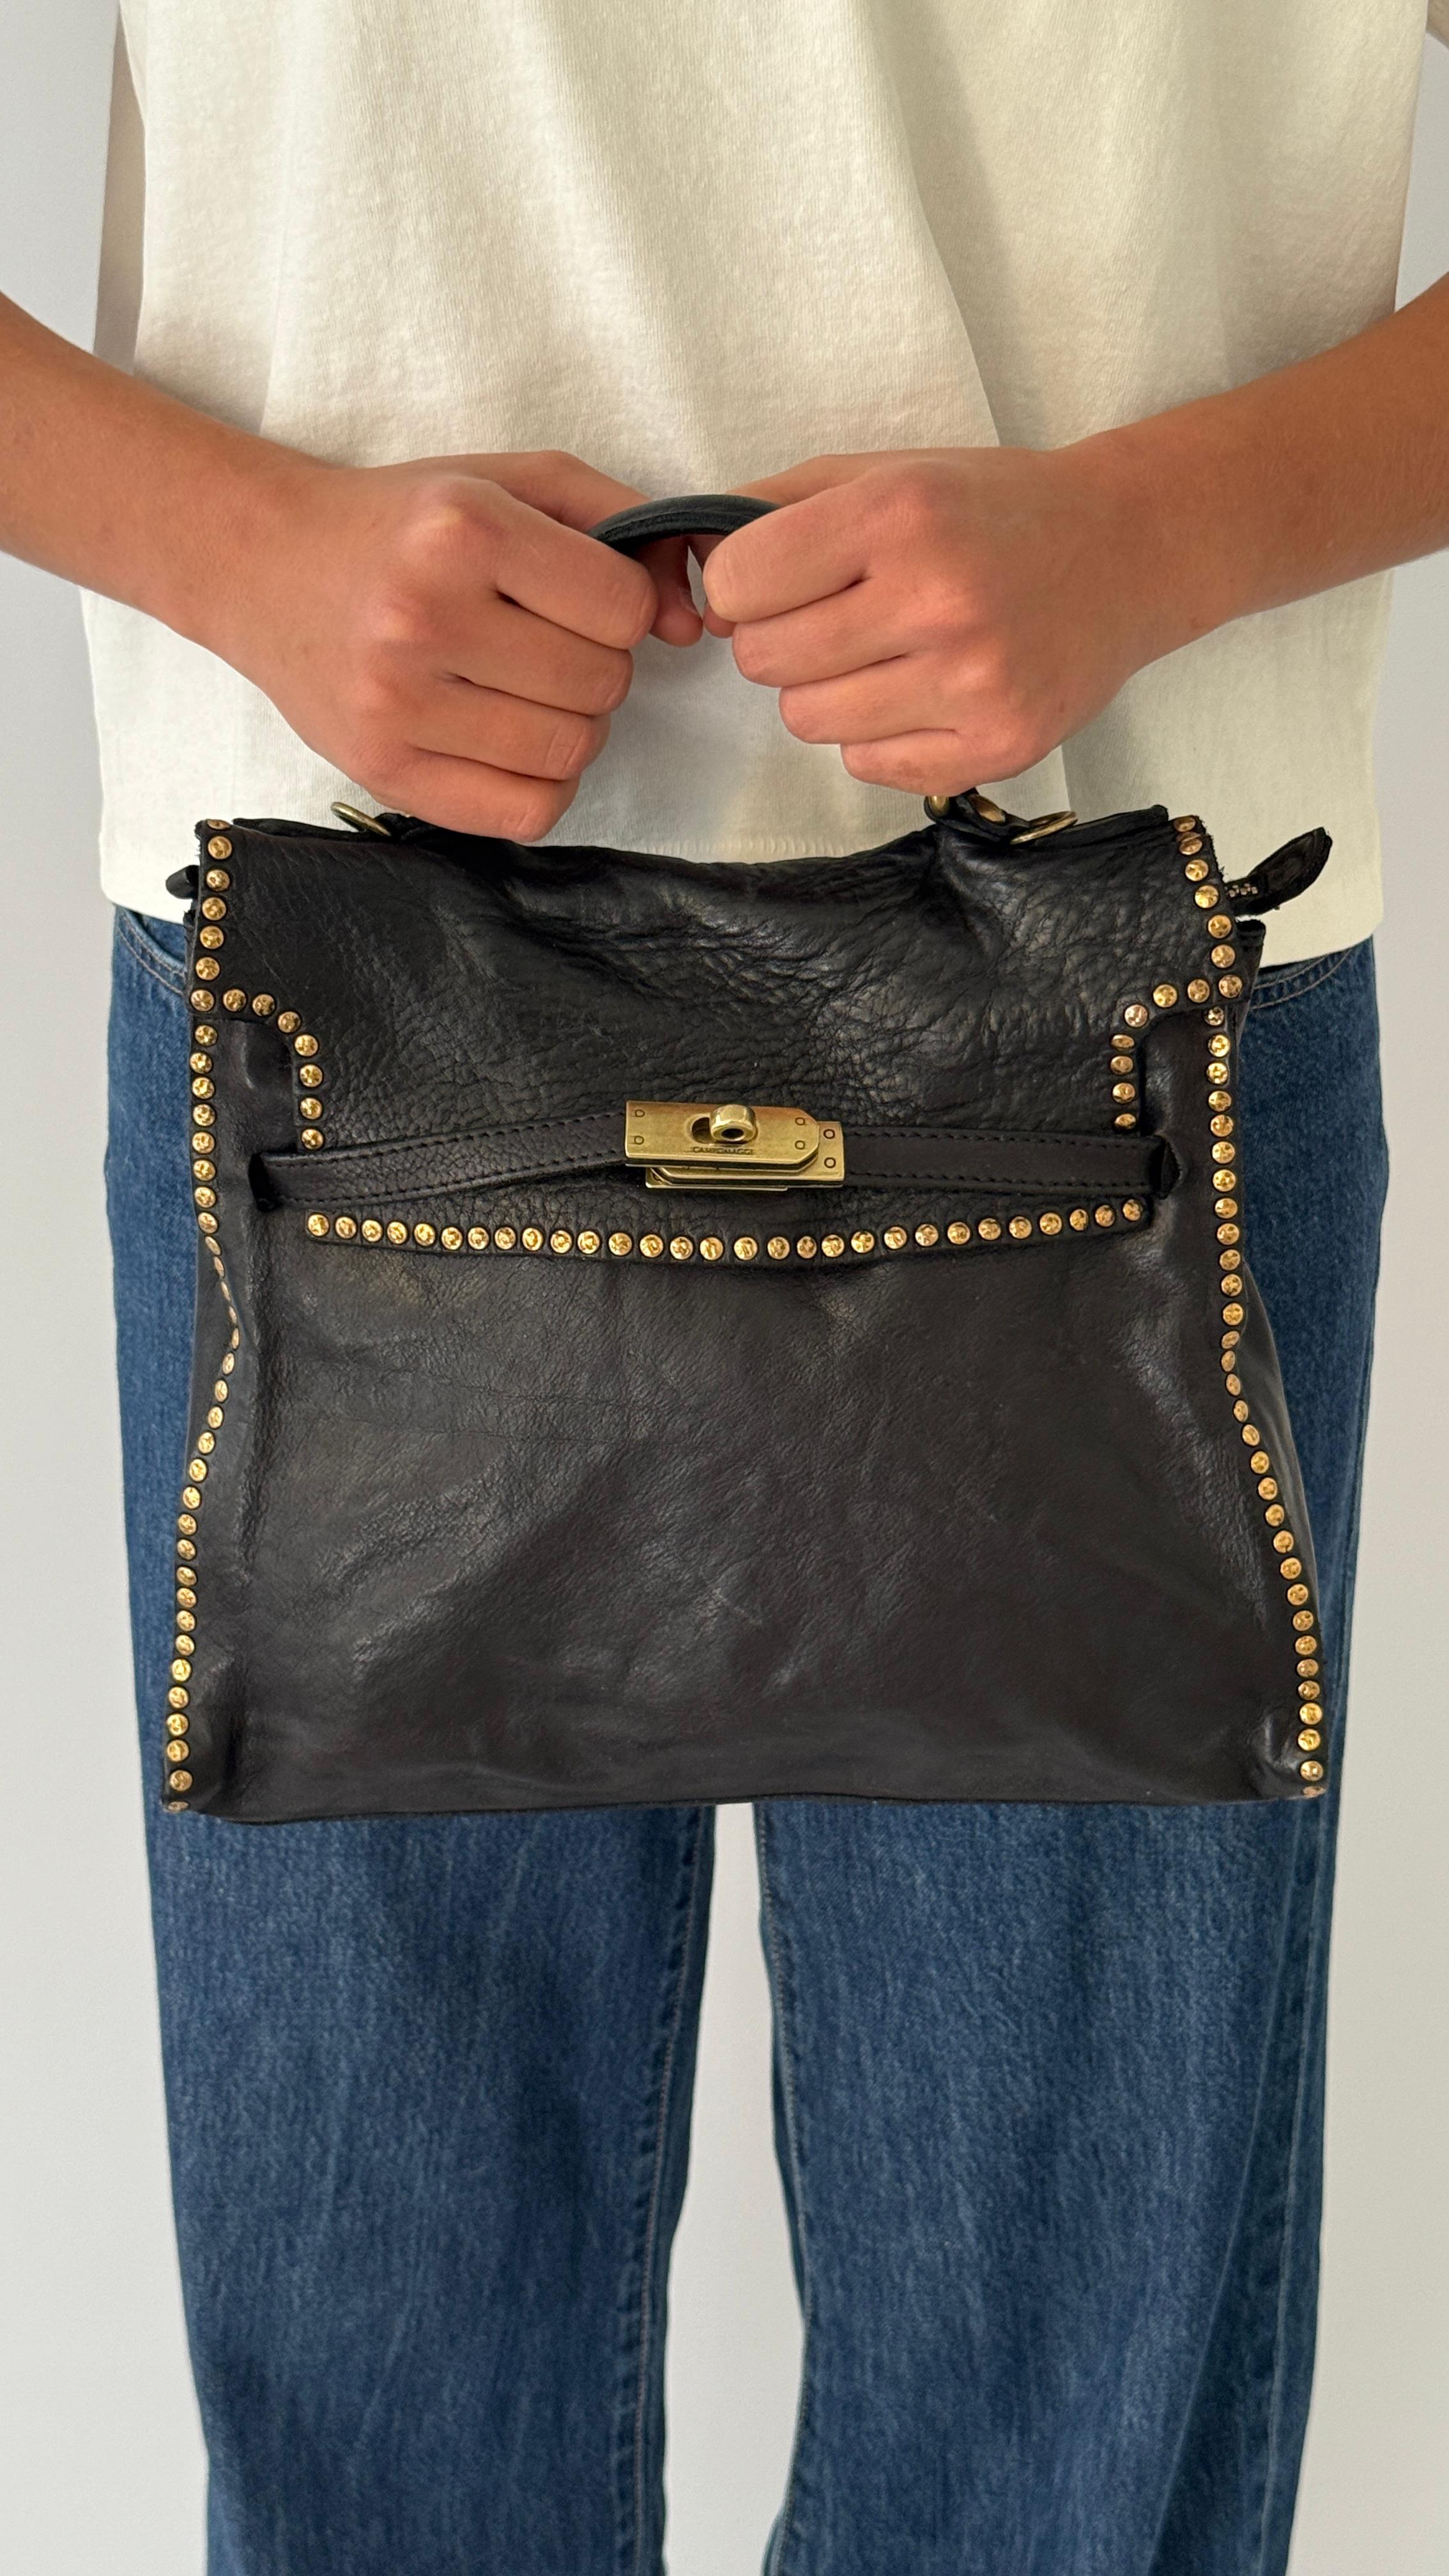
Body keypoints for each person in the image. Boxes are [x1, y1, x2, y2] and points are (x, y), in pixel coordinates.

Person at [3, 5, 1447, 2568]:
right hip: (338, 999)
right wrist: (225, 542)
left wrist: (1161, 533)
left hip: (1122, 997)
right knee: (386, 2409)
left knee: (1055, 2438)